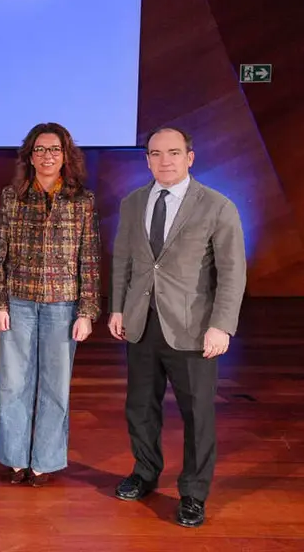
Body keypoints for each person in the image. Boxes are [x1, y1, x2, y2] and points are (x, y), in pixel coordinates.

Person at [109, 127, 245, 528]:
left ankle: (193, 493)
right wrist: (117, 308)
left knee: (197, 414)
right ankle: (145, 473)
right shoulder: (133, 203)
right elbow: (124, 262)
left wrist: (222, 326)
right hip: (141, 324)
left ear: (190, 156)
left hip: (193, 328)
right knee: (140, 408)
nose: (164, 160)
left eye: (173, 152)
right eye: (155, 153)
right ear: (147, 159)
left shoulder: (218, 206)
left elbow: (232, 273)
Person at [0, 122, 101, 487]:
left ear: (65, 156)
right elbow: (0, 252)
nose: (47, 156)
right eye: (40, 149)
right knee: (13, 383)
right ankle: (15, 458)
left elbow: (90, 258)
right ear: (29, 156)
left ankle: (44, 462)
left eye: (54, 150)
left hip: (62, 304)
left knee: (55, 385)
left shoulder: (82, 199)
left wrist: (87, 311)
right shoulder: (12, 195)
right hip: (18, 300)